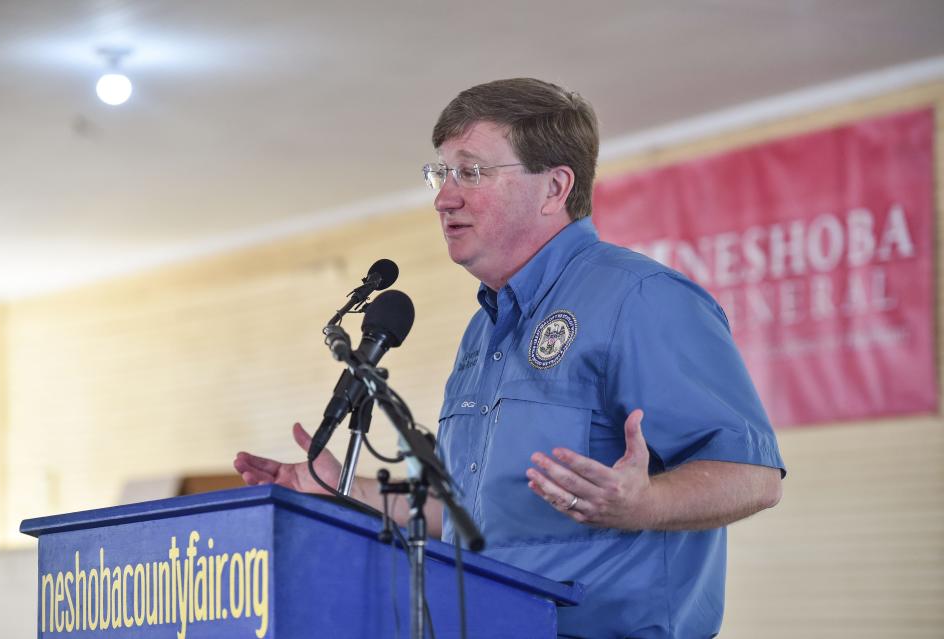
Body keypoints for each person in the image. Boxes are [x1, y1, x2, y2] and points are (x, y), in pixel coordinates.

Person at [235, 78, 785, 638]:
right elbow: (467, 517)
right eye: (441, 174)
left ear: (554, 187)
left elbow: (755, 476)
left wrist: (645, 503)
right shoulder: (484, 330)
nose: (444, 197)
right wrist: (350, 492)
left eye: (470, 172)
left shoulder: (640, 298)